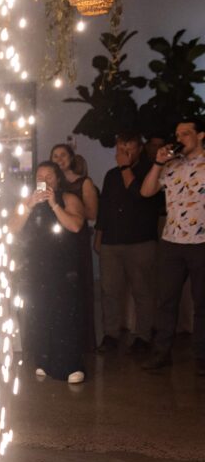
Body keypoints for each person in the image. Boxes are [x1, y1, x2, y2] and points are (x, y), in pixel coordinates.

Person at [8, 161, 88, 383]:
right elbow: (11, 228)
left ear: (57, 179)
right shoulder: (28, 202)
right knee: (39, 312)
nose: (43, 182)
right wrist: (29, 205)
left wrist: (54, 205)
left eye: (48, 177)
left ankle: (70, 363)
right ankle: (43, 359)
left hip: (63, 267)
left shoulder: (69, 199)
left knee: (64, 313)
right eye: (39, 177)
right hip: (35, 265)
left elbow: (75, 225)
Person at [141, 118, 205, 376]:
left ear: (201, 135)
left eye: (186, 133)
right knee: (166, 301)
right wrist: (158, 163)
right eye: (177, 133)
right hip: (172, 241)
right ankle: (161, 352)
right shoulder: (171, 166)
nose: (180, 138)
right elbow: (146, 192)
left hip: (202, 243)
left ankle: (202, 355)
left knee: (202, 303)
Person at [94, 133, 160, 353]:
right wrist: (99, 235)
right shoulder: (111, 175)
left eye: (128, 149)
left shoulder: (151, 171)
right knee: (109, 291)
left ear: (139, 149)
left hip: (140, 240)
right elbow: (105, 207)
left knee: (142, 290)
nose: (123, 154)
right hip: (111, 241)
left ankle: (143, 336)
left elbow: (139, 195)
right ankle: (111, 335)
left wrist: (125, 168)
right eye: (120, 150)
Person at [51, 143, 98, 350]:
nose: (59, 159)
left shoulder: (83, 182)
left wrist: (70, 207)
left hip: (76, 238)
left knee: (80, 287)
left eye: (63, 155)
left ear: (71, 158)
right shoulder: (51, 185)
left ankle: (83, 340)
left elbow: (92, 214)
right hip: (54, 241)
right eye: (55, 156)